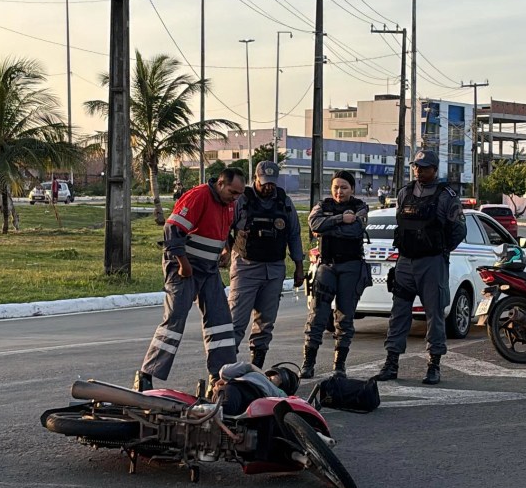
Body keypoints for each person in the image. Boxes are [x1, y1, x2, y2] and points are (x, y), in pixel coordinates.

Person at [138, 166, 247, 386]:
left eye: (238, 194)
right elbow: (172, 231)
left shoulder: (228, 204)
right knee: (175, 319)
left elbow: (223, 231)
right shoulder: (199, 196)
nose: (235, 198)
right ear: (220, 184)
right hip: (185, 268)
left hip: (209, 269)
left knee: (220, 321)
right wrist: (183, 265)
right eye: (232, 192)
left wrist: (225, 250)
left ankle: (220, 375)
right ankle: (146, 375)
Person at [375, 147, 466, 386]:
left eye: (424, 168)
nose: (418, 171)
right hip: (405, 262)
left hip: (432, 263)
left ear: (434, 170)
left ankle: (433, 365)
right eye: (416, 166)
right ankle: (391, 362)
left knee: (434, 315)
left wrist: (440, 250)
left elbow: (458, 229)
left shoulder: (446, 195)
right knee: (398, 315)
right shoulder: (405, 193)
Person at [228, 160, 305, 367]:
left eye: (271, 183)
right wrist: (226, 251)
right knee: (236, 322)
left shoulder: (284, 202)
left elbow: (294, 235)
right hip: (245, 267)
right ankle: (223, 370)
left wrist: (299, 267)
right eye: (264, 183)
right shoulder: (241, 200)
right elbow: (225, 227)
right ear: (255, 179)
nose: (268, 187)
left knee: (265, 323)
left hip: (274, 269)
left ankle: (256, 368)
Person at [299, 171, 370, 380]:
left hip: (351, 268)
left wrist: (329, 228)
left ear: (352, 190)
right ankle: (308, 363)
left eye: (344, 187)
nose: (339, 191)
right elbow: (313, 224)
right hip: (327, 267)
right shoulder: (323, 205)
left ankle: (340, 366)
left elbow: (356, 231)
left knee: (344, 318)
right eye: (336, 187)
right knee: (317, 317)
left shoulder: (360, 207)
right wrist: (340, 219)